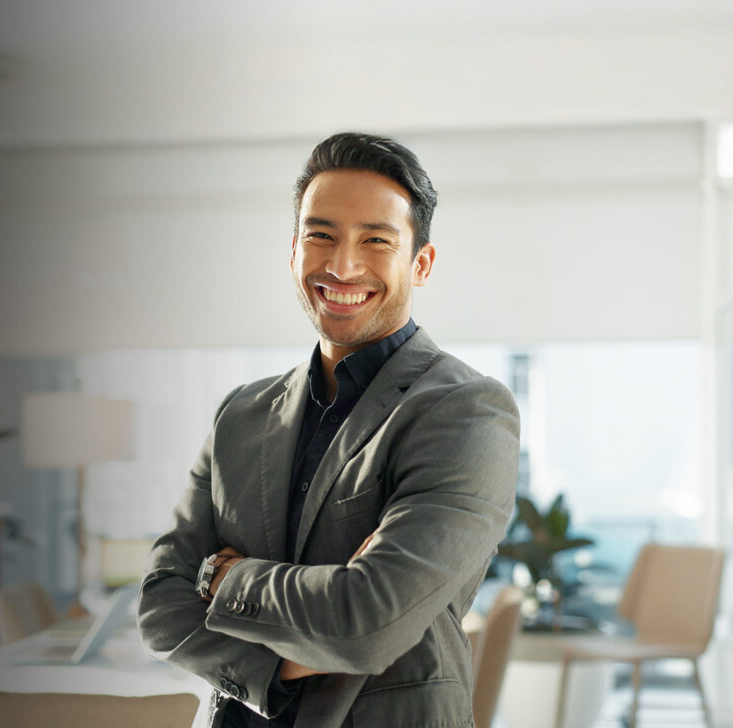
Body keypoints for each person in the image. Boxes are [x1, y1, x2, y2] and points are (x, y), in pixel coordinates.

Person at [137, 132, 519, 727]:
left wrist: (224, 577)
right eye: (321, 235)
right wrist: (277, 666)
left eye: (375, 240)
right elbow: (161, 604)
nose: (342, 265)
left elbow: (368, 622)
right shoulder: (239, 413)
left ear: (420, 263)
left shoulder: (465, 411)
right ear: (293, 251)